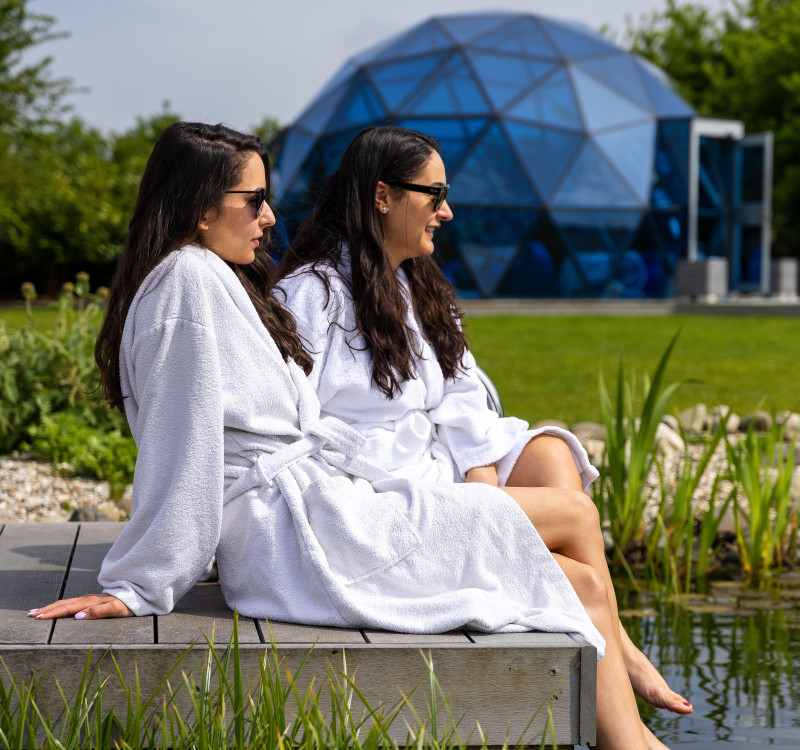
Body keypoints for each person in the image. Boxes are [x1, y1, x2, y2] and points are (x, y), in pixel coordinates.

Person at [29, 120, 652, 749]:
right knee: (573, 519)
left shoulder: (206, 277)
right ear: (197, 207)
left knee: (588, 583)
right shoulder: (188, 283)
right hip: (304, 540)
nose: (270, 217)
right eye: (253, 200)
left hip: (322, 518)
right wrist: (140, 585)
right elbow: (182, 446)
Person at [276, 126, 691, 743]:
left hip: (436, 472)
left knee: (552, 456)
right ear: (382, 196)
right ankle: (624, 669)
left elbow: (466, 394)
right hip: (376, 497)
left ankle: (616, 656)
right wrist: (471, 502)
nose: (447, 210)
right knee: (575, 522)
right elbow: (291, 425)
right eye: (434, 193)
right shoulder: (313, 296)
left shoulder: (417, 284)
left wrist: (481, 485)